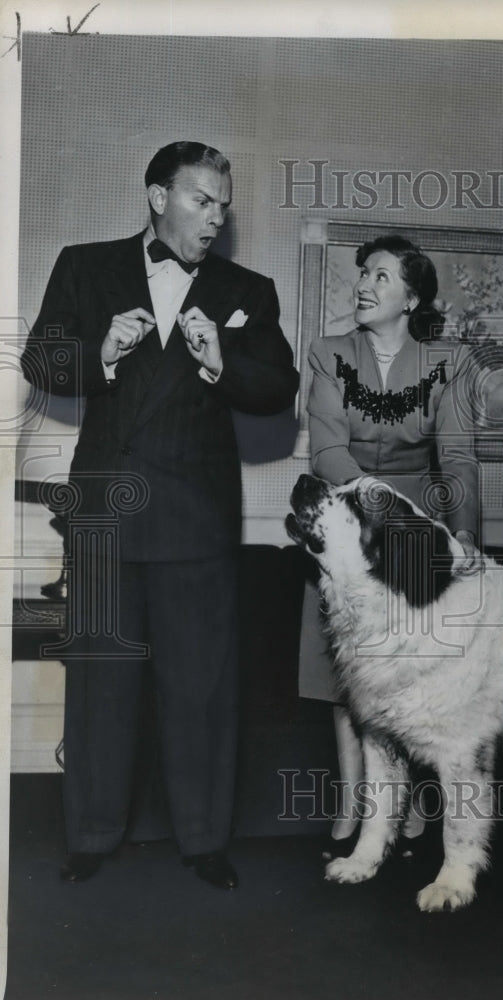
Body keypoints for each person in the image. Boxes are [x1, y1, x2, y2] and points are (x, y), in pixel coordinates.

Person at [21, 141, 299, 890]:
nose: (214, 219)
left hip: (196, 518)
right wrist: (99, 355)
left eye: (223, 206)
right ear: (157, 196)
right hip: (108, 513)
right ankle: (89, 835)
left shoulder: (248, 288)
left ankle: (205, 840)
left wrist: (219, 361)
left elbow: (278, 388)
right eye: (201, 200)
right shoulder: (85, 265)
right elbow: (39, 363)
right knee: (100, 683)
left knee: (201, 689)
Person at [298, 234, 481, 851]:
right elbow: (325, 450)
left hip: (414, 543)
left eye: (381, 276)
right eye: (363, 275)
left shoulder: (446, 364)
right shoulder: (326, 354)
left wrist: (462, 535)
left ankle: (408, 808)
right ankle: (355, 810)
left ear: (412, 297)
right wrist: (375, 500)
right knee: (346, 678)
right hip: (343, 537)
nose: (364, 285)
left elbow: (457, 458)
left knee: (412, 674)